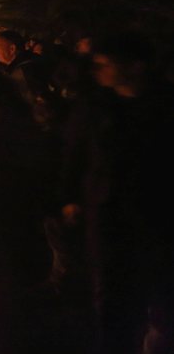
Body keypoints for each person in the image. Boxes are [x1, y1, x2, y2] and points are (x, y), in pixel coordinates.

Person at [60, 31, 174, 353]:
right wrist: (69, 197)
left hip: (159, 215)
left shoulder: (164, 104)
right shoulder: (95, 106)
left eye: (106, 63)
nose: (99, 70)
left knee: (161, 293)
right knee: (112, 294)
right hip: (108, 213)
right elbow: (74, 152)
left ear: (136, 67)